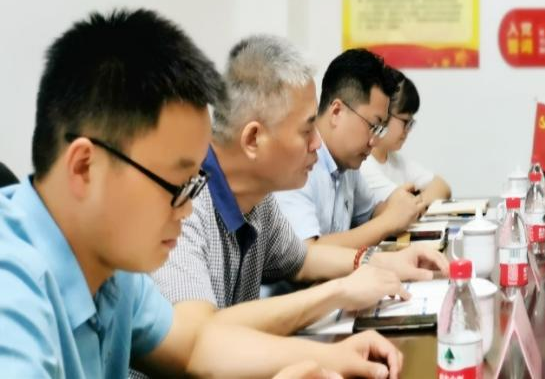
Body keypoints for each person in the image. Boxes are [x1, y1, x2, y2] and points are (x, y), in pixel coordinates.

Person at [0, 10, 401, 377]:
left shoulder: (114, 268)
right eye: (176, 185)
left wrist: (336, 357)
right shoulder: (13, 302)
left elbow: (196, 345)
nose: (189, 206)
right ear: (85, 168)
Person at [150, 36, 445, 347]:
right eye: (306, 130)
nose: (317, 143)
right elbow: (199, 337)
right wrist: (338, 292)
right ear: (253, 140)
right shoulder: (183, 203)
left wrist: (382, 262)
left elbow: (303, 259)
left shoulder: (260, 201)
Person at [276, 49, 427, 249]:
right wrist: (388, 222)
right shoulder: (297, 162)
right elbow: (306, 253)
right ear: (337, 112)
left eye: (380, 130)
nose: (374, 141)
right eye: (373, 126)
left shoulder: (347, 164)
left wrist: (399, 205)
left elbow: (372, 213)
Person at [360, 74, 452, 205]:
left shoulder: (396, 160)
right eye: (405, 121)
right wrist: (417, 202)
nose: (408, 130)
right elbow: (402, 205)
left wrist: (416, 203)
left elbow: (442, 186)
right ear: (384, 113)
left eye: (411, 123)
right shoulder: (364, 163)